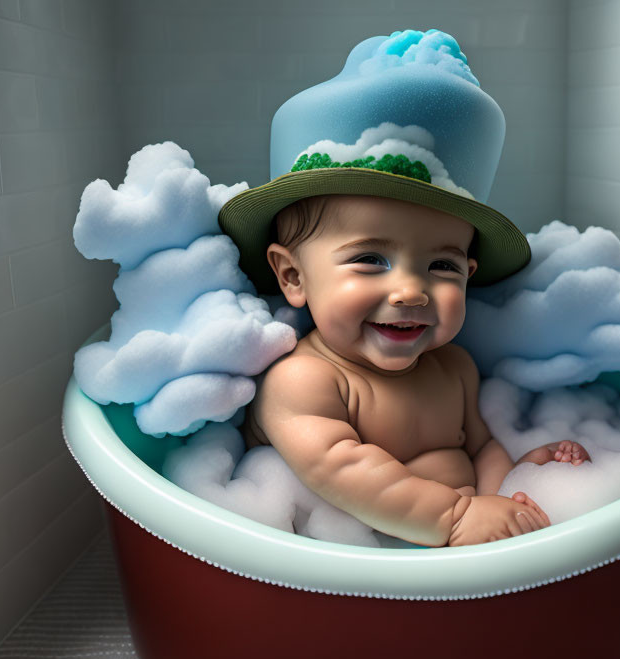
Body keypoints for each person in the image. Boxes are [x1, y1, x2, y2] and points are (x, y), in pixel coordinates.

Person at [218, 29, 590, 547]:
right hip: (350, 570)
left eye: (442, 265)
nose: (411, 291)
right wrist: (457, 518)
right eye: (371, 259)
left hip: (446, 552)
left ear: (470, 273)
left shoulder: (455, 368)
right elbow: (341, 470)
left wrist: (513, 488)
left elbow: (480, 449)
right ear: (293, 277)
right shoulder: (304, 380)